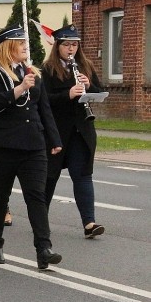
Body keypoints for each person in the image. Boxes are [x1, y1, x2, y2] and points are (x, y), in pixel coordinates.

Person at [0, 25, 63, 269]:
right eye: (21, 42)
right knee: (0, 196)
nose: (26, 46)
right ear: (8, 47)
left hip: (33, 144)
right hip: (2, 144)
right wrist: (19, 88)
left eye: (26, 42)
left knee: (36, 196)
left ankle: (44, 248)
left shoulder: (32, 72)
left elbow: (43, 108)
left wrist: (55, 140)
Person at [41, 24, 105, 239]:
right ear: (58, 46)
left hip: (81, 131)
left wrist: (90, 88)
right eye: (67, 45)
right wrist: (67, 94)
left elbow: (99, 91)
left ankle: (89, 223)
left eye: (75, 45)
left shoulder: (85, 65)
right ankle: (41, 220)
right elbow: (44, 101)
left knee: (83, 175)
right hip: (57, 131)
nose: (71, 49)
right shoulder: (48, 69)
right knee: (50, 177)